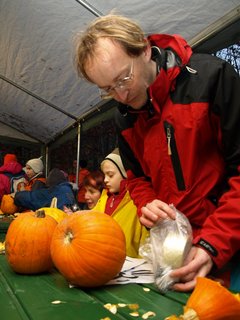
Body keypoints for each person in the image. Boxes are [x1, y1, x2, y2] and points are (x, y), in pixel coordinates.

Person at [74, 14, 240, 291]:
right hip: (178, 252)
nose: (122, 96)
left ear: (144, 49)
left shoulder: (212, 78)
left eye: (124, 78)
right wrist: (147, 203)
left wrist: (213, 243)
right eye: (108, 89)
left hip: (230, 242)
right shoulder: (124, 118)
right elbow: (136, 179)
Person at [93, 148, 149, 258]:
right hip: (100, 259)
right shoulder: (103, 199)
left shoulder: (137, 203)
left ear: (125, 174)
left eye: (110, 175)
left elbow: (146, 245)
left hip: (129, 268)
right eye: (104, 175)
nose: (105, 180)